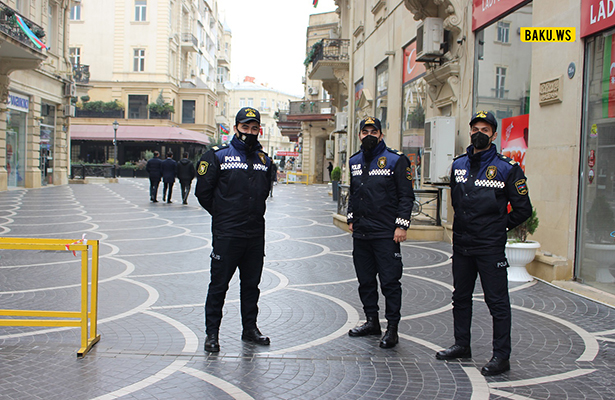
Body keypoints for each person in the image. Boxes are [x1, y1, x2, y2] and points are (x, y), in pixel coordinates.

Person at [435, 111, 532, 376]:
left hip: (489, 247)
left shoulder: (507, 168)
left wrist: (500, 225)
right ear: (470, 131)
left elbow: (524, 209)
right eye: (475, 128)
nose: (479, 133)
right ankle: (461, 344)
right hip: (463, 245)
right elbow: (457, 201)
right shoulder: (458, 165)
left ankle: (501, 356)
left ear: (493, 134)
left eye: (485, 129)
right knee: (461, 297)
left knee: (497, 302)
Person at [195, 107, 273, 353]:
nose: (249, 132)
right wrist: (223, 215)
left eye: (254, 128)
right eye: (245, 127)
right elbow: (203, 193)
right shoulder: (217, 156)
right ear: (236, 127)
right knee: (218, 285)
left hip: (255, 235)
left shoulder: (264, 160)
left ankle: (250, 329)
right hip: (227, 234)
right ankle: (212, 334)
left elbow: (264, 192)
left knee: (251, 286)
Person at [346, 116, 415, 349]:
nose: (368, 136)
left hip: (386, 233)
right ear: (359, 136)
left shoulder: (396, 160)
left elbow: (406, 196)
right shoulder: (354, 161)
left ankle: (392, 328)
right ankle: (372, 321)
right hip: (362, 233)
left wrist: (401, 225)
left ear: (381, 135)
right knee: (365, 281)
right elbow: (354, 192)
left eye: (373, 132)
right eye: (364, 132)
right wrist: (351, 217)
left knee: (390, 282)